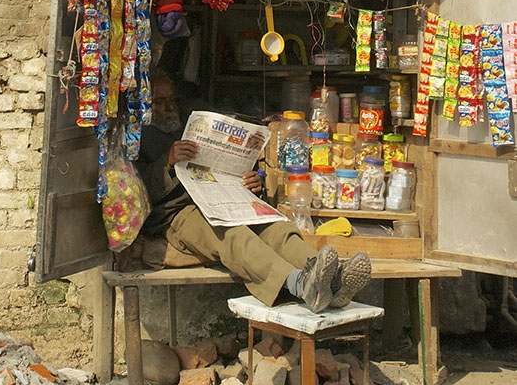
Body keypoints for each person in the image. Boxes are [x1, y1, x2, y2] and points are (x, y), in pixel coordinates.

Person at [137, 73, 372, 314]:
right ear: (143, 104)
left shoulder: (187, 124)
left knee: (275, 225)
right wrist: (166, 161)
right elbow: (136, 192)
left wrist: (247, 180)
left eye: (172, 100)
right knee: (232, 235)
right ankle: (301, 285)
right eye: (159, 102)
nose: (169, 107)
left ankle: (330, 279)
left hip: (219, 200)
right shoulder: (137, 138)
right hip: (177, 214)